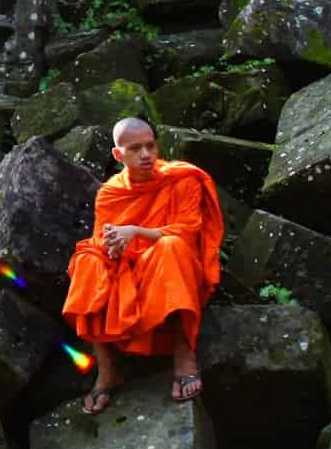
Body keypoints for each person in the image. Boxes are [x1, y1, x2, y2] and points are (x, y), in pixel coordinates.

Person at [62, 116, 223, 413]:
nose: (147, 155)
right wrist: (114, 246)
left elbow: (187, 231)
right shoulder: (111, 192)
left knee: (171, 246)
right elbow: (103, 241)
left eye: (151, 146)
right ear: (118, 155)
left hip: (172, 263)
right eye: (136, 149)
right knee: (86, 261)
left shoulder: (182, 179)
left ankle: (183, 352)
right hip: (128, 267)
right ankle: (107, 367)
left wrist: (135, 232)